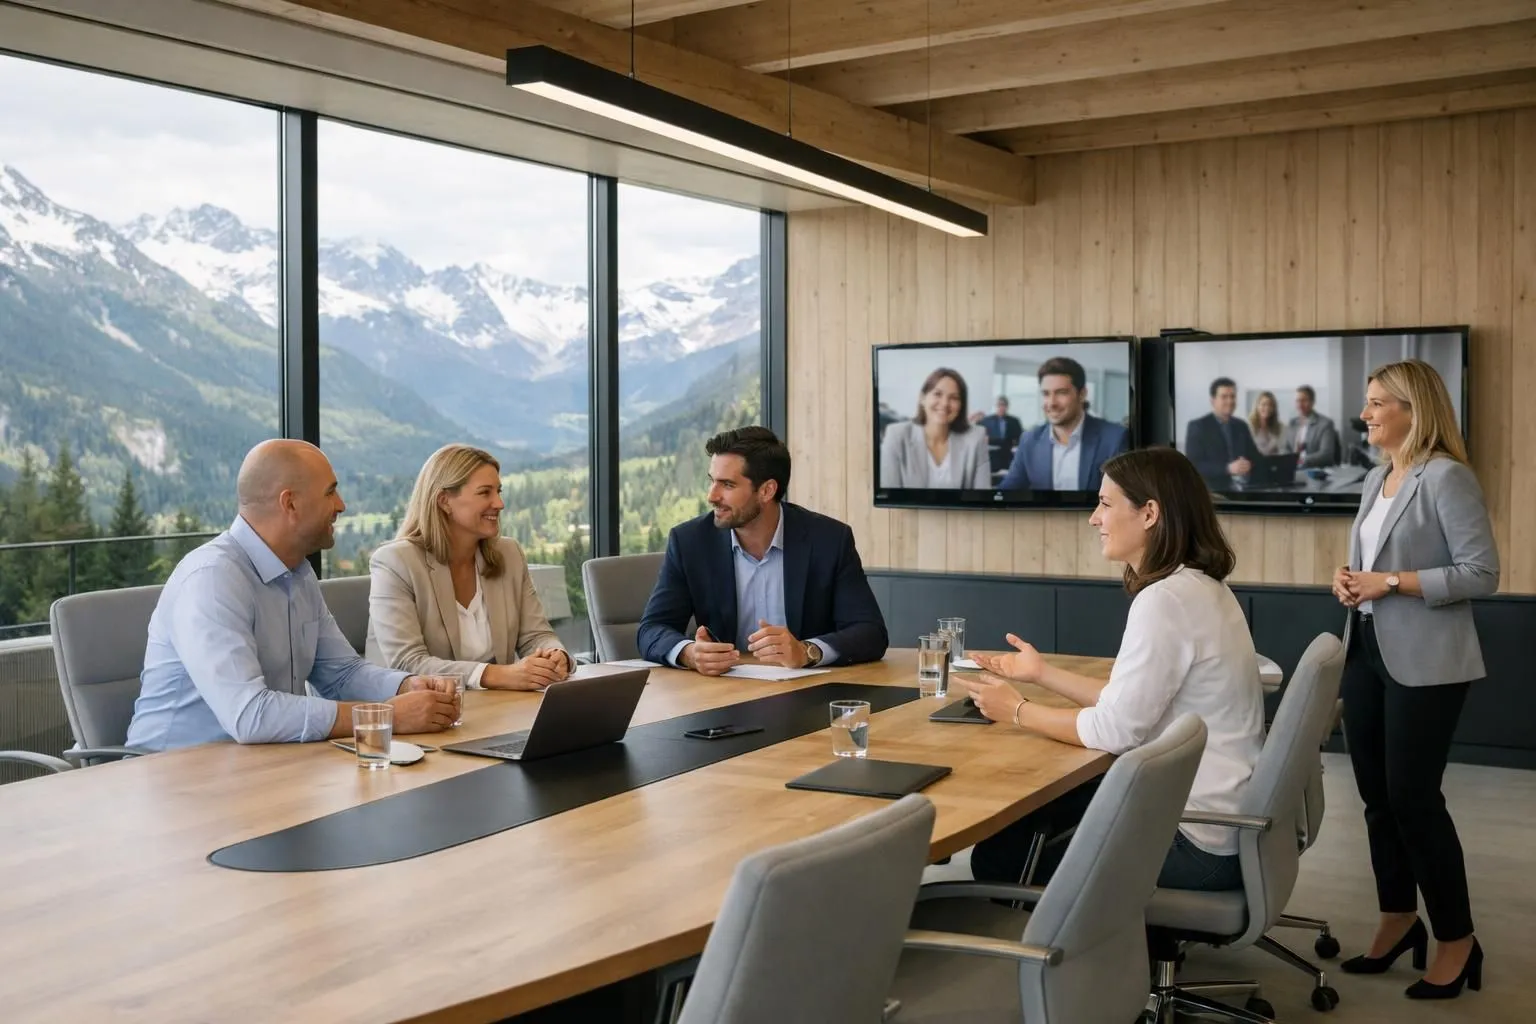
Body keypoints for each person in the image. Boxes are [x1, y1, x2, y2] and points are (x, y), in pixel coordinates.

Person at [960, 447, 1265, 893]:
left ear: (1149, 514)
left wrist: (1017, 711)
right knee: (1023, 830)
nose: (1093, 518)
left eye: (1105, 503)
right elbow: (1130, 705)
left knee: (1002, 861)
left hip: (1196, 840)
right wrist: (1041, 673)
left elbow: (1115, 731)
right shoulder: (1200, 587)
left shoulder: (1164, 601)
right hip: (1219, 819)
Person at [1330, 359, 1496, 1000]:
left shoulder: (1447, 478)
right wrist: (1348, 578)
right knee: (1375, 796)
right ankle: (1399, 918)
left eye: (1377, 403)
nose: (1366, 413)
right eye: (1367, 403)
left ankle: (1457, 938)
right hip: (1366, 648)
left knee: (1414, 798)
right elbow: (1373, 563)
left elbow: (1481, 573)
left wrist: (1391, 583)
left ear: (1412, 408)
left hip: (1428, 662)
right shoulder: (1378, 477)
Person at [126, 440, 458, 752]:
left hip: (259, 769)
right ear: (290, 503)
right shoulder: (213, 578)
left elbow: (342, 673)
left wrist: (407, 687)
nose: (341, 505)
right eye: (331, 492)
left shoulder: (298, 573)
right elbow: (250, 716)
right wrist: (386, 715)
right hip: (171, 783)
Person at [638, 426, 888, 674]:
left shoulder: (829, 539)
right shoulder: (690, 541)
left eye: (727, 484)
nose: (711, 495)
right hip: (721, 694)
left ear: (767, 490)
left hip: (807, 693)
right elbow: (652, 629)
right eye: (712, 481)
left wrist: (807, 651)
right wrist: (688, 653)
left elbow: (870, 632)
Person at [366, 444, 573, 691]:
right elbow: (408, 662)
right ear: (444, 501)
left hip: (498, 711)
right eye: (485, 492)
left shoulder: (509, 554)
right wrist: (496, 675)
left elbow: (535, 635)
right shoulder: (396, 562)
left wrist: (555, 655)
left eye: (499, 491)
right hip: (416, 716)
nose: (499, 503)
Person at [997, 356, 1129, 491]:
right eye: (1046, 394)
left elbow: (1124, 500)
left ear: (1082, 394)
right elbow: (1007, 493)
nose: (1052, 403)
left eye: (1061, 393)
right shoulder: (1029, 440)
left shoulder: (1114, 438)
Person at [879, 368, 991, 488]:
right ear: (922, 398)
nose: (945, 403)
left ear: (961, 405)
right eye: (937, 394)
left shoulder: (976, 438)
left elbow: (981, 497)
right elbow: (890, 497)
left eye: (954, 398)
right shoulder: (896, 436)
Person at [1184, 376, 1261, 488]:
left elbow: (1255, 457)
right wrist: (1228, 468)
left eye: (1232, 396)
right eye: (1224, 397)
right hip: (1212, 493)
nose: (1229, 401)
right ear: (1213, 401)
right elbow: (1194, 465)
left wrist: (1249, 464)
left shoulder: (1241, 425)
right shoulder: (1198, 426)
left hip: (1244, 490)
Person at [1283, 385, 1342, 468]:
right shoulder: (1292, 423)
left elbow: (1326, 455)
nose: (1300, 404)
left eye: (1304, 400)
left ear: (1312, 402)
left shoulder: (1325, 424)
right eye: (1297, 401)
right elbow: (1287, 448)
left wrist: (1300, 461)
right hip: (1293, 470)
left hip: (1315, 470)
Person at [975, 396, 1025, 475]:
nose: (1001, 408)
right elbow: (978, 434)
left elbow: (1020, 438)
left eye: (1003, 405)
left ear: (1007, 407)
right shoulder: (987, 420)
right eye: (999, 405)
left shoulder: (1014, 421)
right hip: (992, 456)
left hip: (1008, 454)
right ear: (995, 406)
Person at [1248, 390, 1286, 456]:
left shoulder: (1280, 427)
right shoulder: (1249, 427)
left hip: (1275, 463)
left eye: (1270, 405)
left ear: (1274, 408)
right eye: (1263, 404)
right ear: (1257, 406)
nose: (1267, 408)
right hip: (1256, 464)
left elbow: (1282, 450)